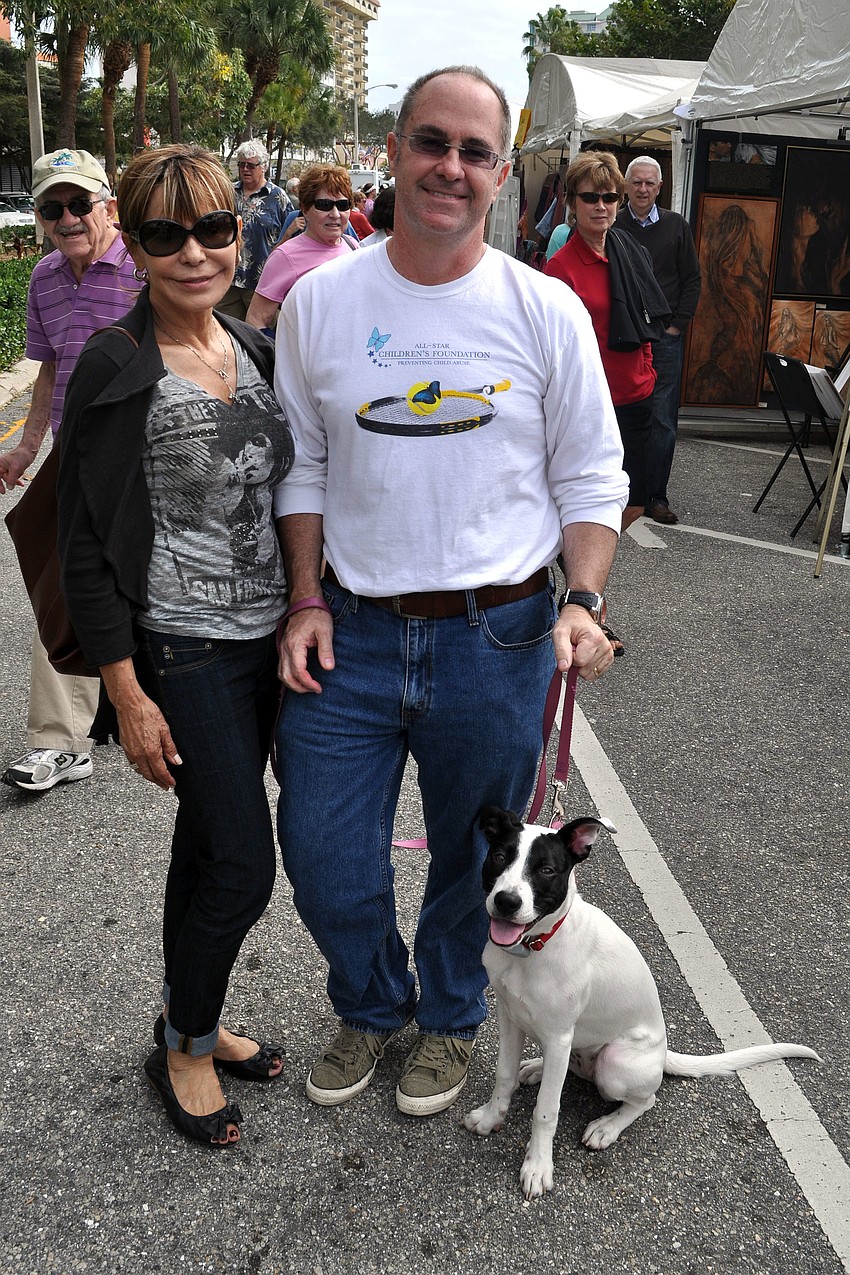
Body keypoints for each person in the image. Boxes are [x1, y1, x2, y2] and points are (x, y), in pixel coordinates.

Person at [273, 66, 628, 1118]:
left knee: (475, 865)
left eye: (475, 153)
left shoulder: (544, 307)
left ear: (503, 174)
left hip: (500, 635)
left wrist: (585, 599)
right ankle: (372, 1006)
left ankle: (452, 1017)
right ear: (394, 150)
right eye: (432, 142)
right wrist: (302, 596)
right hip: (352, 633)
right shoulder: (321, 302)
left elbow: (591, 474)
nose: (450, 167)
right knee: (326, 856)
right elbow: (302, 464)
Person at [56, 144, 293, 1147]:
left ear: (239, 233)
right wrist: (128, 689)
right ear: (137, 243)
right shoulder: (119, 361)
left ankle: (185, 1014)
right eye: (165, 234)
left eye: (213, 228)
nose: (193, 251)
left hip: (268, 642)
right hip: (185, 650)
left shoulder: (252, 344)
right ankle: (186, 1047)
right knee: (244, 864)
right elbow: (82, 540)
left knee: (204, 848)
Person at [0, 148, 142, 794]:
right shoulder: (44, 280)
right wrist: (28, 448)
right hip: (74, 453)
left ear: (108, 205)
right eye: (53, 207)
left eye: (80, 203)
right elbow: (50, 369)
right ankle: (59, 740)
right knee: (65, 581)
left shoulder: (145, 264)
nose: (68, 217)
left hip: (147, 449)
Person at [545, 151, 669, 533]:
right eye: (589, 197)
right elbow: (552, 350)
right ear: (572, 203)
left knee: (636, 499)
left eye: (609, 197)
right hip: (590, 405)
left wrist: (647, 368)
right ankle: (586, 577)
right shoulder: (559, 268)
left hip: (636, 395)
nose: (601, 206)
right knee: (588, 502)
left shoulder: (630, 251)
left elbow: (645, 314)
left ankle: (593, 568)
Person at [615, 156, 701, 525]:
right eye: (636, 182)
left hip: (663, 337)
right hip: (624, 337)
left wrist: (677, 326)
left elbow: (692, 279)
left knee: (662, 418)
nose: (643, 189)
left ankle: (656, 495)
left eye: (650, 183)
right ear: (627, 185)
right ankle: (621, 491)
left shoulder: (676, 227)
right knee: (621, 415)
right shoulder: (614, 224)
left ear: (659, 187)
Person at [246, 165, 359, 334]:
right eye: (325, 204)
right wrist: (285, 351)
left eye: (343, 205)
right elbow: (256, 321)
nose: (335, 214)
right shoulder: (284, 257)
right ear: (305, 209)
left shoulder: (352, 246)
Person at [216, 140, 290, 321]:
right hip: (229, 279)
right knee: (225, 330)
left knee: (262, 334)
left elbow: (290, 238)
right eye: (242, 164)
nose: (245, 169)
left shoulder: (277, 196)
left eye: (251, 165)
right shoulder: (228, 192)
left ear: (263, 167)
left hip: (262, 283)